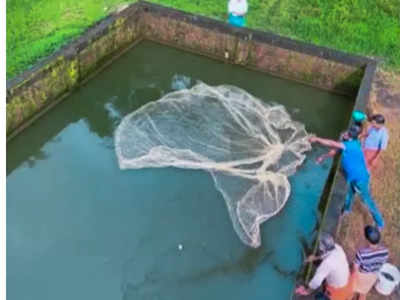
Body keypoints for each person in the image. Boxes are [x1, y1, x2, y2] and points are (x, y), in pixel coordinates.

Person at [309, 125, 384, 229]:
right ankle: (347, 210)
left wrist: (316, 139)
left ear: (350, 136)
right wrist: (323, 157)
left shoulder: (350, 146)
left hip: (360, 179)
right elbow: (334, 150)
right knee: (349, 194)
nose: (344, 134)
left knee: (367, 200)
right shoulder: (353, 142)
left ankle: (380, 223)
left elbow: (331, 143)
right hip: (352, 177)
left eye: (347, 133)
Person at [295, 233, 353, 300]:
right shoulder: (338, 248)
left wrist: (307, 291)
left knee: (321, 295)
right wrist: (315, 258)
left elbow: (316, 281)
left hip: (337, 288)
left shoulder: (327, 263)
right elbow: (328, 254)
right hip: (346, 278)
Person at [352, 225, 389, 300]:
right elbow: (382, 263)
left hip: (362, 275)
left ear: (368, 240)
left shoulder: (361, 253)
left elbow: (355, 268)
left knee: (352, 289)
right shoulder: (385, 251)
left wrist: (353, 277)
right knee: (364, 292)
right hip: (374, 275)